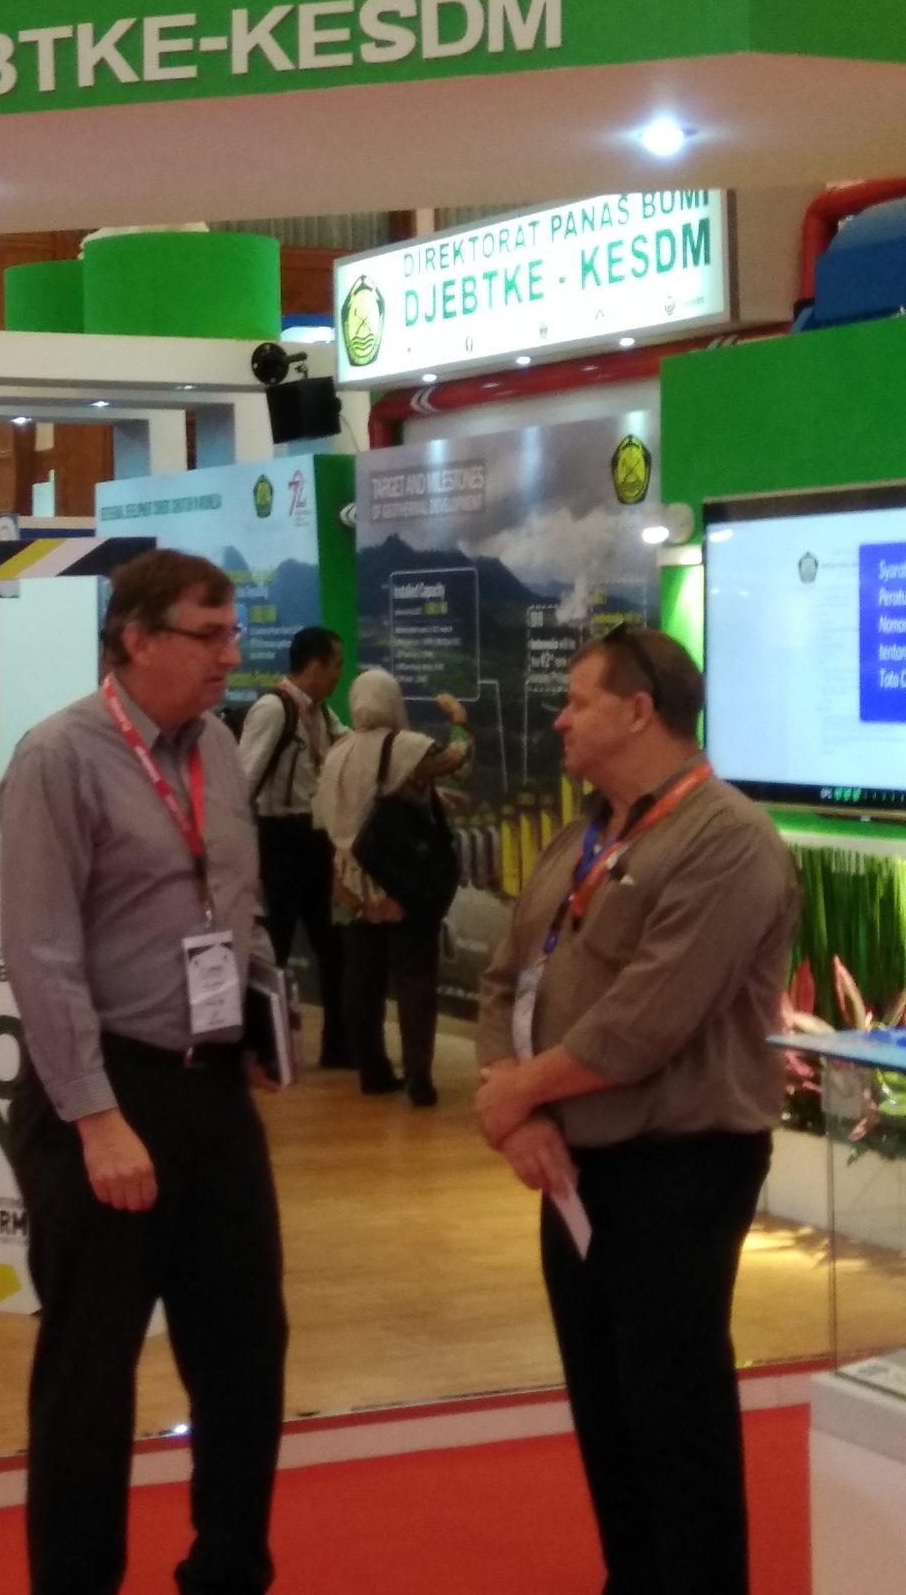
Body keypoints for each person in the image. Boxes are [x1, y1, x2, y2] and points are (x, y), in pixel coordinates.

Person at [474, 625, 798, 1595]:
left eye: (578, 702)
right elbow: (504, 982)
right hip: (572, 1167)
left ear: (639, 712)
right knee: (606, 1414)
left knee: (674, 1420)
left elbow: (644, 1024)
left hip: (677, 1172)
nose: (560, 720)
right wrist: (522, 1117)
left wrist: (515, 1092)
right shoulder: (584, 833)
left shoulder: (729, 841)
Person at [0, 549, 287, 1595]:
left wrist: (261, 1016)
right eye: (208, 635)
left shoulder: (220, 747)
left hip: (210, 1089)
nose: (230, 654)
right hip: (104, 1094)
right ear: (136, 640)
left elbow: (234, 903)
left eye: (232, 632)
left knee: (246, 1350)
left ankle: (228, 1570)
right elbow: (41, 954)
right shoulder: (59, 757)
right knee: (90, 1370)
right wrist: (95, 1116)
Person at [314, 668, 472, 1104]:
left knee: (360, 978)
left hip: (348, 882)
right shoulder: (408, 747)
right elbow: (458, 762)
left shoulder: (338, 751)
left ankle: (372, 1070)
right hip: (398, 878)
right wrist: (460, 720)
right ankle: (419, 1075)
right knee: (414, 976)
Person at [238, 625, 350, 1068]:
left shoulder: (323, 713)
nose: (340, 674)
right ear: (315, 665)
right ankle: (264, 1051)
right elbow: (244, 780)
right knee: (275, 947)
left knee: (334, 946)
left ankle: (339, 1046)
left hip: (317, 840)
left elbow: (351, 747)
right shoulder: (273, 709)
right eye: (337, 665)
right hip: (279, 839)